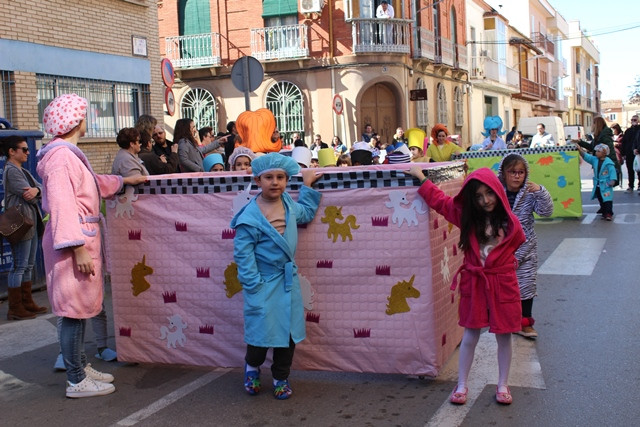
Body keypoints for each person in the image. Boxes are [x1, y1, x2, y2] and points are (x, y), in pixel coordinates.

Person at [36, 93, 146, 398]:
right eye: (85, 114)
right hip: (73, 245)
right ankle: (75, 379)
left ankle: (81, 366)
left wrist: (123, 182)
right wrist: (77, 247)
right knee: (72, 312)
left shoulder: (68, 155)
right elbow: (62, 205)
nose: (88, 119)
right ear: (76, 121)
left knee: (80, 310)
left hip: (80, 240)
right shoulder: (60, 158)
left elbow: (92, 184)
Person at [405, 165, 525, 406]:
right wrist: (420, 177)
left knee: (504, 336)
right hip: (475, 281)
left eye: (489, 194)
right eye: (478, 196)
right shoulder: (467, 218)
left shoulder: (510, 223)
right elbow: (440, 201)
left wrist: (507, 264)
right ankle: (462, 384)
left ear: (498, 192)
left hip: (503, 282)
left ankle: (503, 384)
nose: (485, 200)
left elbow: (519, 242)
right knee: (470, 334)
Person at [230, 152, 323, 400]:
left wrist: (307, 186)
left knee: (288, 337)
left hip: (287, 283)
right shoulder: (250, 216)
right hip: (263, 283)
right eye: (268, 177)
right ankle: (252, 366)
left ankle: (281, 377)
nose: (275, 182)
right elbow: (243, 254)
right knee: (261, 335)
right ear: (258, 181)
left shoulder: (289, 204)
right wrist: (254, 285)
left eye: (281, 177)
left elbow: (306, 213)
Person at [498, 153, 553, 338]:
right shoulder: (496, 192)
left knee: (526, 285)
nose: (516, 176)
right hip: (502, 250)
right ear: (504, 174)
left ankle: (525, 322)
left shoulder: (530, 193)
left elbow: (546, 211)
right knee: (501, 286)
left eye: (520, 172)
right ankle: (504, 320)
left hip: (526, 249)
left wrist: (541, 191)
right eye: (512, 172)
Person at [1, 135, 47, 320]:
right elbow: (29, 195)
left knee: (28, 265)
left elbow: (40, 188)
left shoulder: (23, 171)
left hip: (30, 221)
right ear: (12, 152)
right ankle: (15, 307)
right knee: (19, 266)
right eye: (24, 149)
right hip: (21, 223)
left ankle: (27, 303)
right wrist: (37, 191)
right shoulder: (12, 171)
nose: (28, 152)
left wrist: (38, 190)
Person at [574, 117, 620, 187]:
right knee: (601, 185)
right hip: (601, 163)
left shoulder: (604, 136)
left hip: (604, 164)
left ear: (597, 124)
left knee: (604, 186)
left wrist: (608, 163)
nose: (592, 125)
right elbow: (592, 147)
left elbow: (608, 151)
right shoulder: (599, 136)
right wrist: (580, 142)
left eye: (593, 123)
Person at [575, 143, 617, 220]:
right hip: (598, 183)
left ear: (604, 153)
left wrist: (612, 180)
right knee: (600, 197)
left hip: (606, 184)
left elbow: (612, 172)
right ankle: (604, 211)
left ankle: (609, 213)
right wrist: (580, 150)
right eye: (596, 151)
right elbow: (586, 157)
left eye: (598, 151)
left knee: (607, 199)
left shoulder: (609, 163)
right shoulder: (594, 160)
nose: (596, 153)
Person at [621, 115, 640, 192]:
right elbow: (624, 142)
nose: (633, 121)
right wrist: (623, 153)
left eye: (635, 120)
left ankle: (639, 185)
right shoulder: (628, 131)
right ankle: (631, 185)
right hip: (629, 153)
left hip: (638, 153)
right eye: (632, 120)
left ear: (638, 121)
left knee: (639, 170)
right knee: (630, 170)